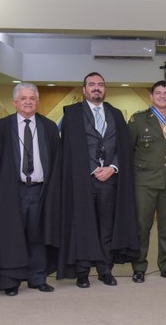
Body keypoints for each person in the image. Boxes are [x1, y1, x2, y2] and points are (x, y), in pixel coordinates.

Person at [51, 72, 138, 288]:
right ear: (84, 90)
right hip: (82, 180)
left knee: (106, 227)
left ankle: (104, 269)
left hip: (110, 180)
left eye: (100, 84)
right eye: (91, 85)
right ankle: (82, 271)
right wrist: (92, 168)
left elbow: (124, 147)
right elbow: (67, 148)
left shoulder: (116, 114)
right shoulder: (71, 114)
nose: (96, 88)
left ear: (105, 89)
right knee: (82, 226)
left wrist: (112, 167)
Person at [0, 83, 60, 294]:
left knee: (37, 234)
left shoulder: (49, 127)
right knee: (13, 235)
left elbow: (57, 161)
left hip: (40, 190)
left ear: (37, 101)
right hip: (13, 191)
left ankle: (37, 278)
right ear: (14, 102)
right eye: (23, 98)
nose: (28, 102)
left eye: (32, 98)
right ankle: (12, 281)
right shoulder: (1, 127)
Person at [128, 81, 166, 283]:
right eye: (158, 93)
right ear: (151, 96)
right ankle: (139, 266)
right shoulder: (138, 120)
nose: (162, 96)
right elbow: (128, 151)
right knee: (141, 226)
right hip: (144, 182)